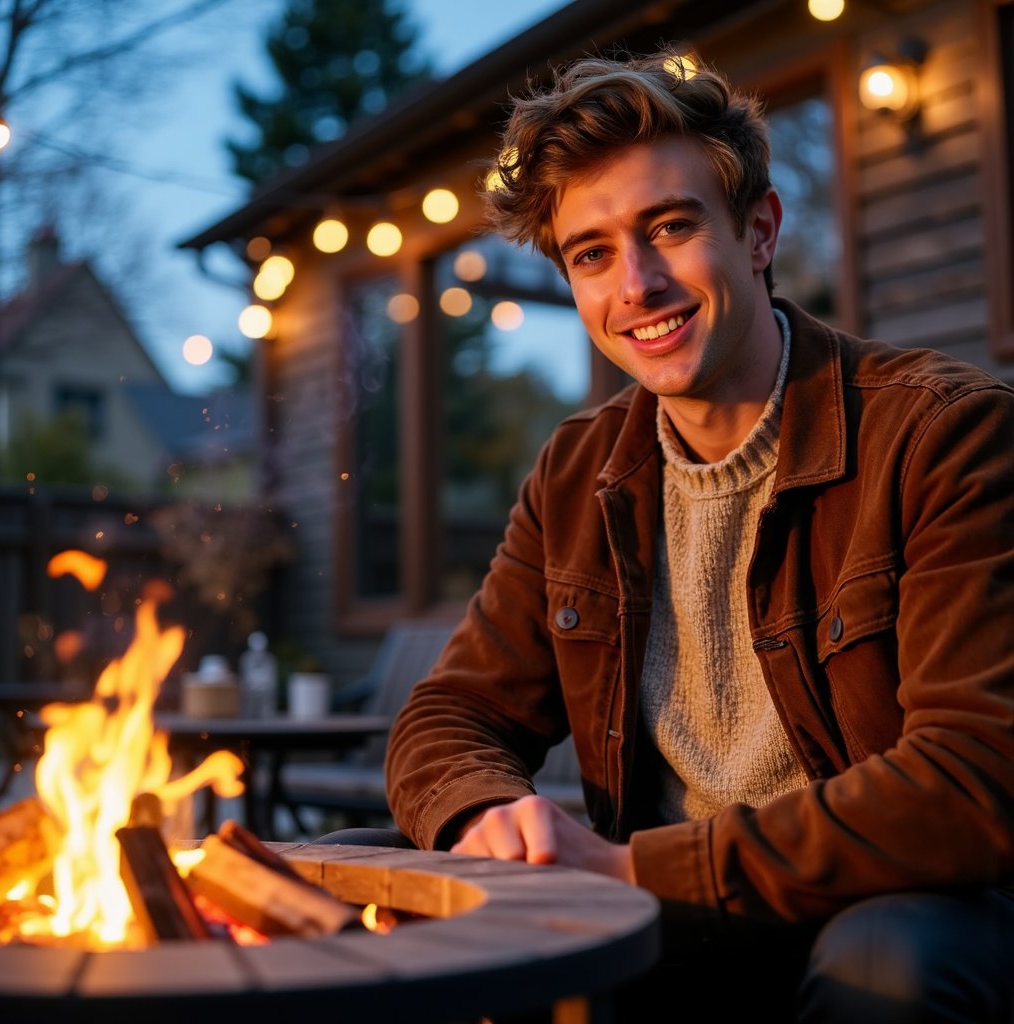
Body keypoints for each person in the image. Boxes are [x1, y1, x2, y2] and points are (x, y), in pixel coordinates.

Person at [321, 47, 1014, 1021]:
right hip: (658, 914)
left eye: (671, 228)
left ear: (759, 231)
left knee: (890, 961)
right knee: (378, 908)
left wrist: (625, 863)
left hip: (872, 905)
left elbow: (970, 777)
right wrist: (487, 820)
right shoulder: (575, 474)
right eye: (591, 253)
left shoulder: (939, 433)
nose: (636, 285)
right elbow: (448, 719)